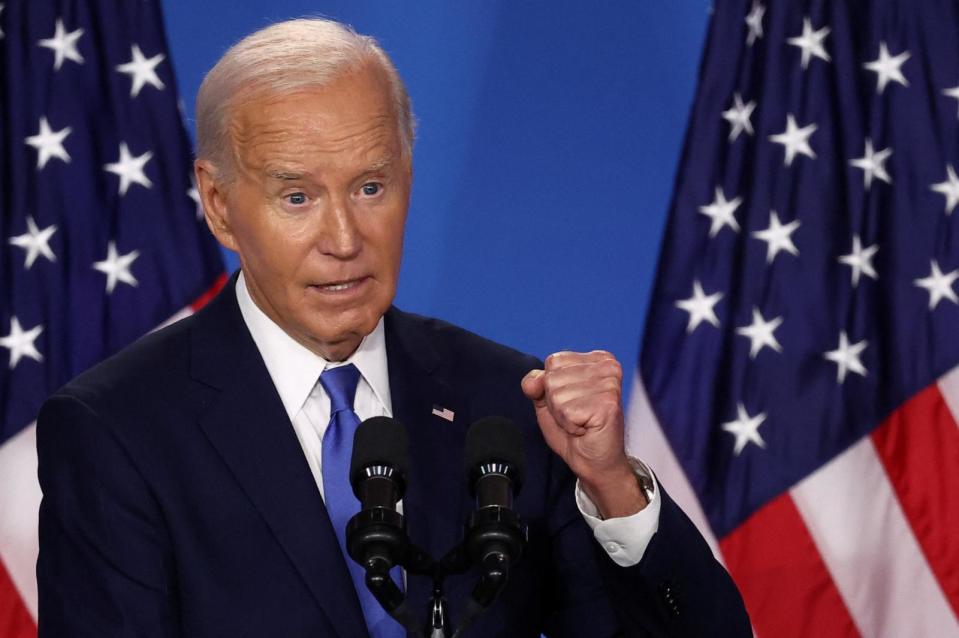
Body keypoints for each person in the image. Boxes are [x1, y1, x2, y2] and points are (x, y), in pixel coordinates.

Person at [36, 18, 750, 638]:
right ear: (219, 205)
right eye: (297, 196)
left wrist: (610, 485)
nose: (344, 238)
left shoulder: (508, 403)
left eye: (370, 186)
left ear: (409, 177)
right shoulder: (120, 430)